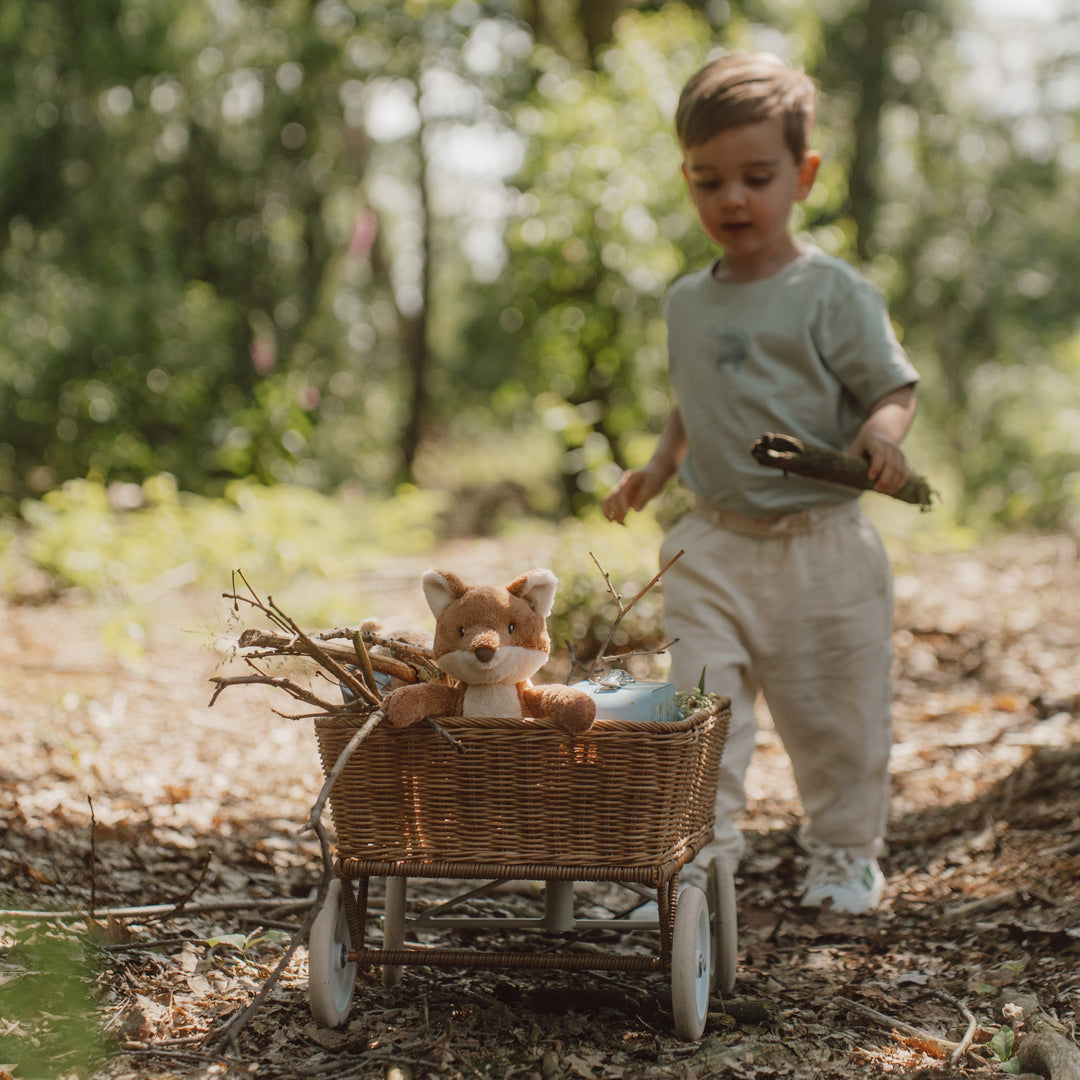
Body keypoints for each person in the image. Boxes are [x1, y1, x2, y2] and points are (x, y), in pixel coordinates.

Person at [601, 51, 919, 914]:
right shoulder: (686, 303)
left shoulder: (831, 294)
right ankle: (698, 858)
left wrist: (881, 438)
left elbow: (892, 385)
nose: (731, 199)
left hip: (824, 548)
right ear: (686, 179)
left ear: (804, 175)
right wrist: (656, 469)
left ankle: (845, 852)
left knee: (837, 720)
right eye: (709, 181)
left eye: (756, 176)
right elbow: (692, 400)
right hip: (712, 543)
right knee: (701, 713)